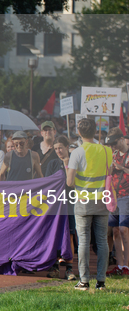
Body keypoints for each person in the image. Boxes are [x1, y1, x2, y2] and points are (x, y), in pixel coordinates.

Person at [67, 118, 112, 290]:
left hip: (83, 201)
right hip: (102, 200)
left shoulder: (77, 152)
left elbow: (70, 181)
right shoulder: (106, 150)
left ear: (79, 132)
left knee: (84, 241)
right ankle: (101, 281)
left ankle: (84, 281)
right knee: (102, 241)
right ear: (95, 131)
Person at [44, 135, 77, 281]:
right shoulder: (52, 163)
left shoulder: (74, 162)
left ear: (67, 148)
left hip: (70, 204)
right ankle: (55, 267)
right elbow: (48, 183)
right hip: (56, 205)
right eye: (56, 148)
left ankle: (70, 269)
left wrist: (68, 165)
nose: (58, 151)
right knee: (55, 234)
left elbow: (75, 182)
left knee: (69, 235)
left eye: (61, 148)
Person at [103, 129, 129, 276]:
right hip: (114, 196)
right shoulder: (113, 155)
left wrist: (123, 168)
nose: (112, 146)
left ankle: (127, 266)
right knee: (116, 231)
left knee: (125, 230)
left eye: (114, 143)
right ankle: (119, 265)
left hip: (127, 196)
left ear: (121, 139)